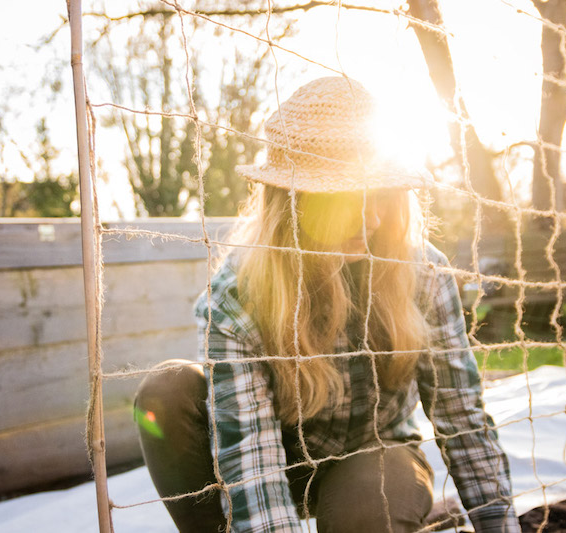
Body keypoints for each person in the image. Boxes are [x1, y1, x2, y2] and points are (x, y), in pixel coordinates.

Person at [135, 76, 520, 533]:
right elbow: (253, 460)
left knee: (368, 505)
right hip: (273, 461)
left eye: (380, 196)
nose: (373, 218)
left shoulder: (423, 274)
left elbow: (462, 415)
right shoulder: (238, 294)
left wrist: (499, 523)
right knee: (166, 391)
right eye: (347, 199)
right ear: (294, 203)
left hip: (374, 456)